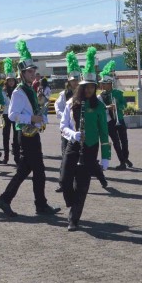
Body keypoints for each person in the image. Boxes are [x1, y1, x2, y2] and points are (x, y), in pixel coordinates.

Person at [0, 40, 60, 218]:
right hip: (25, 135)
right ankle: (39, 205)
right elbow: (12, 115)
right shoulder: (19, 92)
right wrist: (31, 119)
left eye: (33, 71)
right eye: (29, 71)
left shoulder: (30, 89)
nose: (33, 73)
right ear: (22, 74)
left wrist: (41, 115)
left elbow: (34, 110)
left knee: (25, 171)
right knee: (38, 171)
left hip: (32, 134)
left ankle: (7, 199)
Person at [61, 61, 111, 231]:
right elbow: (63, 126)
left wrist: (105, 156)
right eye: (86, 87)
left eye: (92, 87)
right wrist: (73, 134)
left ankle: (73, 219)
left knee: (82, 187)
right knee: (64, 180)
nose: (89, 90)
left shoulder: (99, 106)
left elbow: (104, 132)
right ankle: (71, 202)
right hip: (73, 144)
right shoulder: (71, 103)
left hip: (90, 147)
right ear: (81, 87)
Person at [55, 52, 82, 192]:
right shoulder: (63, 95)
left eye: (77, 80)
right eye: (73, 80)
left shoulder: (84, 93)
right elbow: (58, 108)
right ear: (69, 81)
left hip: (80, 130)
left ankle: (78, 182)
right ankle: (63, 182)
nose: (75, 82)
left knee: (80, 157)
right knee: (65, 155)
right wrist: (65, 116)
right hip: (67, 130)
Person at [99, 61, 131, 170]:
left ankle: (125, 158)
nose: (102, 85)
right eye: (102, 83)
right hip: (109, 121)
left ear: (110, 84)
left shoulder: (118, 93)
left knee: (124, 141)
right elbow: (101, 108)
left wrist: (117, 106)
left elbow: (124, 105)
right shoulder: (101, 96)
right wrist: (108, 107)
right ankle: (122, 162)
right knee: (116, 142)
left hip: (119, 119)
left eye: (104, 83)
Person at [0, 60, 18, 165]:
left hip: (15, 115)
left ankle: (16, 156)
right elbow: (1, 103)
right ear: (6, 81)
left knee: (16, 136)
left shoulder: (18, 91)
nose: (11, 82)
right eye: (9, 80)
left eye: (12, 80)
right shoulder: (3, 91)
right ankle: (5, 157)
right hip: (6, 115)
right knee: (5, 136)